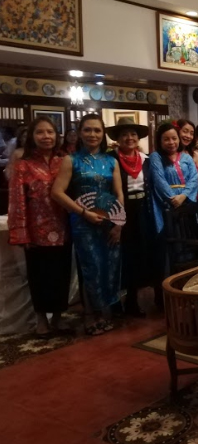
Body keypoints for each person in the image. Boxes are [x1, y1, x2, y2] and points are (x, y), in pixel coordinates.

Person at [51, 113, 124, 336]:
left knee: (110, 267)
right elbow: (57, 192)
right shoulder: (71, 160)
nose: (92, 134)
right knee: (91, 267)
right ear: (80, 133)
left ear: (103, 134)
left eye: (97, 130)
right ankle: (90, 315)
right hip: (83, 222)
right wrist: (83, 212)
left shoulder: (111, 161)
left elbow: (119, 194)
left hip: (109, 222)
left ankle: (104, 311)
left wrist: (118, 224)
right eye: (88, 130)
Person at [8, 117, 71, 336]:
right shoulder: (23, 165)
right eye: (40, 132)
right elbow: (17, 201)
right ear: (32, 137)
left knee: (61, 275)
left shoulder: (63, 161)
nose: (46, 137)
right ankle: (41, 320)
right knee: (39, 277)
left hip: (64, 228)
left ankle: (59, 318)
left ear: (57, 136)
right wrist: (21, 233)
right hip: (36, 231)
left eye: (50, 132)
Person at [107, 117, 157, 316]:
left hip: (142, 212)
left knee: (138, 256)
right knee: (120, 258)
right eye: (124, 134)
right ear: (117, 138)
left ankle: (133, 301)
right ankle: (114, 303)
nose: (129, 138)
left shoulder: (145, 159)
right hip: (119, 211)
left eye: (133, 134)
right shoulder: (110, 159)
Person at [149, 123, 198, 235]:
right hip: (167, 203)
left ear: (179, 139)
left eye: (174, 138)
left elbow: (194, 178)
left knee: (189, 235)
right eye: (166, 139)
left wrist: (184, 196)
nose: (171, 142)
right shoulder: (156, 157)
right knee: (172, 235)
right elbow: (159, 181)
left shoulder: (187, 157)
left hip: (187, 201)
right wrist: (174, 200)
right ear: (160, 141)